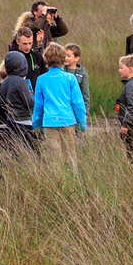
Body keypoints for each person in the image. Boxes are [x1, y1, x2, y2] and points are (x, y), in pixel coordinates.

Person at [31, 42, 86, 170]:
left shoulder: (41, 79)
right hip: (68, 121)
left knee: (54, 159)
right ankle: (72, 180)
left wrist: (37, 124)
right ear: (63, 59)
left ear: (46, 60)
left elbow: (38, 105)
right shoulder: (70, 78)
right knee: (70, 156)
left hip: (49, 123)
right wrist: (82, 123)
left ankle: (57, 183)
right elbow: (78, 103)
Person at [0, 50, 37, 158]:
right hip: (24, 122)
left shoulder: (5, 81)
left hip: (10, 120)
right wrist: (37, 98)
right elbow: (29, 103)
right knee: (29, 153)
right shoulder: (21, 82)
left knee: (15, 153)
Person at [66, 43, 91, 134]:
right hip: (65, 109)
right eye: (64, 55)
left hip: (77, 108)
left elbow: (86, 95)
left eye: (68, 56)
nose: (66, 58)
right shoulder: (61, 71)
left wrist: (85, 113)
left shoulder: (83, 74)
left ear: (76, 58)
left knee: (77, 134)